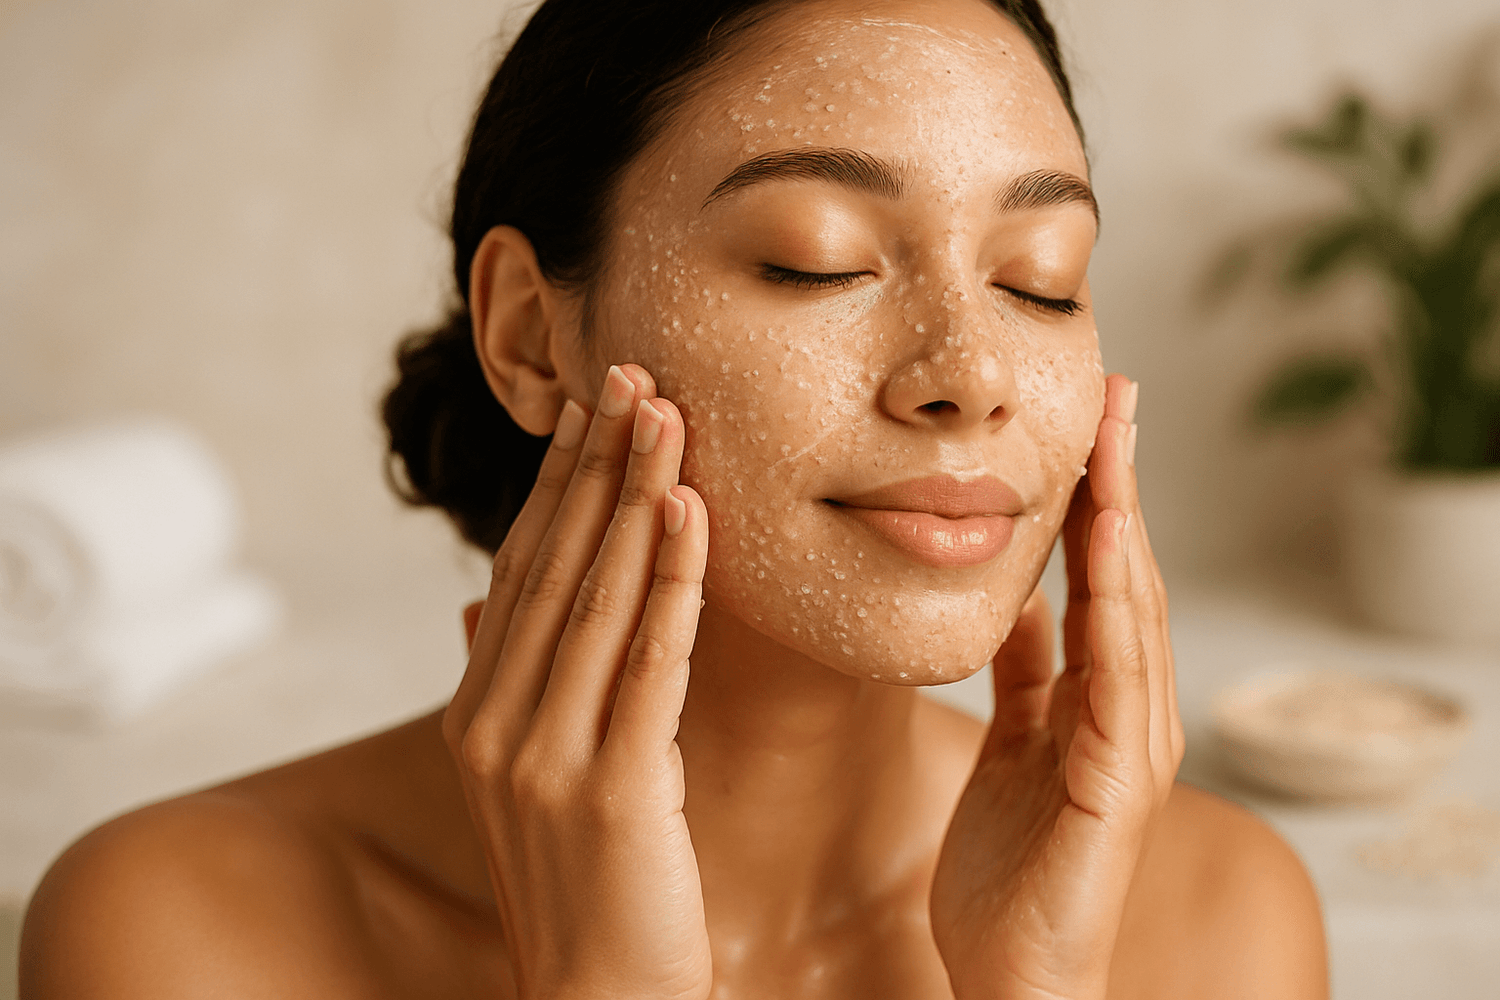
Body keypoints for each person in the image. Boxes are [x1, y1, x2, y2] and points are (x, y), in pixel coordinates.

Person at [19, 0, 1329, 996]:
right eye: (812, 262)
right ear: (533, 336)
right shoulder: (180, 937)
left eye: (1042, 277)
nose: (972, 376)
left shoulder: (1212, 925)